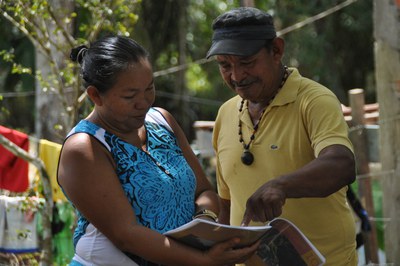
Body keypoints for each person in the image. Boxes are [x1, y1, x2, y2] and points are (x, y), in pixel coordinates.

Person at [57, 35, 259, 266]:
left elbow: (204, 190)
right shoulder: (85, 147)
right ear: (95, 95)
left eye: (149, 89)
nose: (143, 102)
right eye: (130, 96)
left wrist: (203, 220)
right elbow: (126, 235)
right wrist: (204, 260)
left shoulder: (162, 120)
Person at [207, 7, 358, 265]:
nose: (236, 76)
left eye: (246, 62)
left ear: (276, 50)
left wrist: (281, 185)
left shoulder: (314, 100)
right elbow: (227, 204)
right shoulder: (226, 113)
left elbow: (341, 164)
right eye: (224, 65)